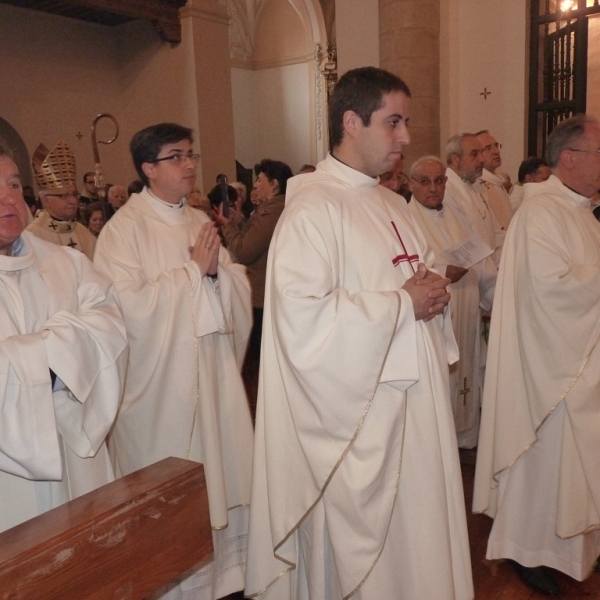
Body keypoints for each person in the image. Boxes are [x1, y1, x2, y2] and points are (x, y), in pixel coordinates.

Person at [245, 67, 473, 600]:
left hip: (415, 412)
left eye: (406, 122)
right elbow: (301, 320)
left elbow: (412, 282)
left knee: (419, 547)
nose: (406, 137)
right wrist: (402, 304)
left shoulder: (391, 204)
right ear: (351, 121)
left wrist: (431, 293)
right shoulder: (313, 208)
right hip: (360, 426)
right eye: (393, 122)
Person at [94, 122, 254, 600]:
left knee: (218, 471)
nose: (189, 165)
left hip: (212, 375)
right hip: (162, 391)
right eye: (177, 156)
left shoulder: (194, 221)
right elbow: (123, 309)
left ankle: (225, 575)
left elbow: (235, 285)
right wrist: (192, 274)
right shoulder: (124, 231)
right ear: (148, 168)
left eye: (190, 155)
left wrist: (216, 279)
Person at [473, 114, 600, 597]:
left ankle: (580, 543)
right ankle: (529, 549)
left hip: (581, 359)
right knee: (547, 459)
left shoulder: (578, 211)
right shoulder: (540, 213)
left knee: (581, 459)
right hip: (551, 369)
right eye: (598, 152)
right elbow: (549, 291)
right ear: (569, 158)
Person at [0, 145, 128, 534]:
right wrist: (50, 356)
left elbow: (109, 321)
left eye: (14, 184)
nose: (8, 198)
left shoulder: (65, 262)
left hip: (75, 453)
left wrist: (55, 362)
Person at [407, 156, 497, 449]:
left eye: (439, 180)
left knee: (467, 377)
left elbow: (481, 260)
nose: (433, 188)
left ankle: (466, 439)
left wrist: (495, 298)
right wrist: (445, 272)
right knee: (442, 382)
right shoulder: (406, 221)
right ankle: (440, 447)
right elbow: (406, 270)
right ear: (411, 185)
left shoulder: (457, 216)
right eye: (425, 181)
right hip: (437, 315)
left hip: (468, 310)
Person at [215, 159, 292, 421]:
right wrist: (240, 220)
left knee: (254, 367)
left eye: (259, 179)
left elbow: (246, 251)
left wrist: (228, 224)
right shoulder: (270, 209)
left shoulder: (274, 210)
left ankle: (258, 418)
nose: (255, 184)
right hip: (262, 295)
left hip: (261, 298)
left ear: (274, 184)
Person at [27, 140, 98, 260]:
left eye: (74, 194)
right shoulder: (33, 235)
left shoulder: (84, 233)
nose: (73, 201)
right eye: (64, 196)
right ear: (45, 200)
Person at [445, 133, 504, 267]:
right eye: (474, 154)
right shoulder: (446, 190)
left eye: (481, 153)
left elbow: (496, 233)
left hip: (491, 271)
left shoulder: (477, 186)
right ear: (455, 159)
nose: (482, 159)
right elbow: (461, 241)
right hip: (470, 272)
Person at [476, 130, 514, 230]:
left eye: (496, 146)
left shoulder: (498, 181)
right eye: (488, 148)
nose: (496, 151)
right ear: (476, 155)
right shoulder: (477, 185)